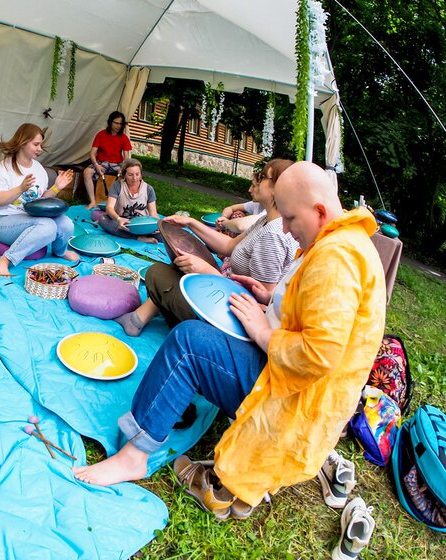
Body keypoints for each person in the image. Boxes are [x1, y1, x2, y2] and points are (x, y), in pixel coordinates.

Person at [74, 161, 386, 521]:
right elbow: (318, 315)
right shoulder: (342, 240)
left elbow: (319, 353)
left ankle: (134, 455)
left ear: (318, 211)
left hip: (290, 398)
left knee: (189, 341)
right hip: (290, 381)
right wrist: (270, 297)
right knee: (200, 333)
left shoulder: (337, 259)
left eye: (290, 219)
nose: (284, 227)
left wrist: (263, 331)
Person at [114, 158, 298, 336]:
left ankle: (159, 322)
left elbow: (257, 304)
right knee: (177, 266)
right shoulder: (266, 221)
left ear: (278, 188)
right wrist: (190, 223)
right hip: (223, 295)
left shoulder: (273, 237)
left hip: (228, 320)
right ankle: (137, 320)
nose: (256, 182)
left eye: (263, 177)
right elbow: (229, 245)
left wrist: (206, 270)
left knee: (156, 274)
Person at [0, 123, 80, 276]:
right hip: (4, 222)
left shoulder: (38, 168)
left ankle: (59, 251)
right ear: (23, 142)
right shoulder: (2, 168)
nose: (40, 149)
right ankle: (5, 260)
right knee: (48, 226)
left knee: (66, 224)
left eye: (41, 145)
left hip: (31, 219)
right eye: (36, 144)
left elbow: (41, 201)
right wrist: (20, 189)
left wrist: (57, 187)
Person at [97, 158, 162, 243]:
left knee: (164, 235)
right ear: (124, 175)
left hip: (142, 225)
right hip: (124, 223)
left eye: (137, 174)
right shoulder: (117, 186)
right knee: (103, 219)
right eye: (130, 175)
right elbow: (109, 208)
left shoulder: (148, 189)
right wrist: (118, 219)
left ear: (141, 174)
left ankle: (142, 235)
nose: (134, 178)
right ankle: (138, 238)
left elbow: (153, 213)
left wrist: (157, 226)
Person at [82, 111, 132, 209]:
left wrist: (123, 169)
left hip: (117, 163)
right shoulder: (101, 134)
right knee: (87, 172)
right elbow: (92, 153)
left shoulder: (124, 138)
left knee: (129, 175)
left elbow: (126, 157)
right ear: (110, 122)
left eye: (121, 124)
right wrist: (96, 165)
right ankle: (93, 201)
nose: (118, 126)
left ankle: (121, 203)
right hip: (102, 162)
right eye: (116, 123)